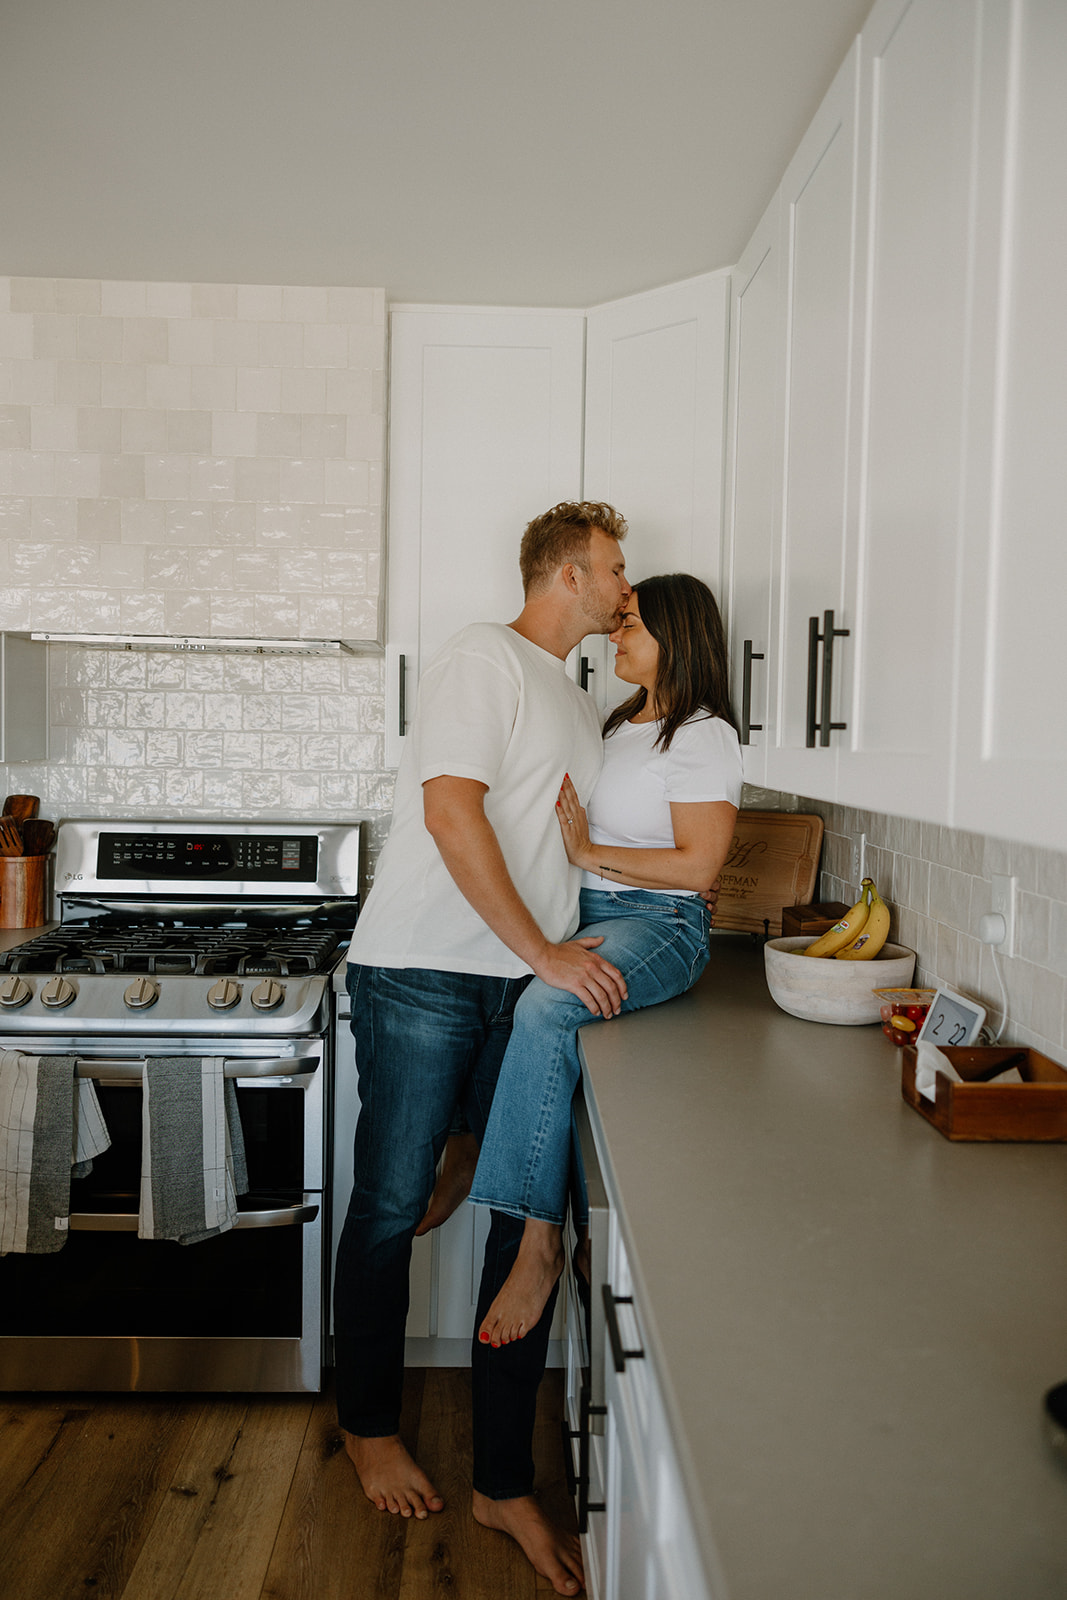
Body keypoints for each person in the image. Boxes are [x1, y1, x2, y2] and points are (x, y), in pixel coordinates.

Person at [333, 500, 632, 1599]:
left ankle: (502, 1483)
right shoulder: (481, 656)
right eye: (611, 567)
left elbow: (558, 839)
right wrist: (545, 952)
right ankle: (367, 1425)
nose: (621, 583)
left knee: (520, 1227)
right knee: (390, 1206)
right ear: (563, 572)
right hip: (421, 971)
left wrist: (568, 950)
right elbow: (452, 812)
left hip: (517, 990)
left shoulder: (579, 693)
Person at [467, 573, 742, 1347]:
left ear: (675, 639)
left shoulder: (703, 733)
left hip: (660, 924)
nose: (613, 636)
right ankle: (470, 1153)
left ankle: (537, 1245)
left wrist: (589, 850)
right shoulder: (622, 721)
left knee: (548, 1002)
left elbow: (696, 869)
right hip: (594, 912)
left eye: (630, 626)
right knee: (499, 996)